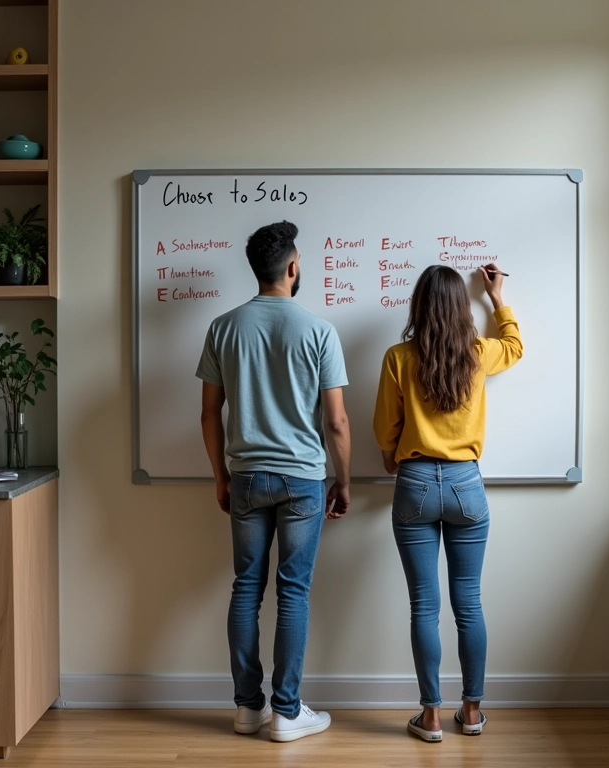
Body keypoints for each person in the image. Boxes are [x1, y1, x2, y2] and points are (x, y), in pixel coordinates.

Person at [196, 220, 351, 743]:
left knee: (246, 588)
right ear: (292, 267)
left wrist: (220, 477)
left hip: (245, 476)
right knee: (293, 592)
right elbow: (336, 423)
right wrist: (343, 482)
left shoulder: (223, 327)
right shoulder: (319, 331)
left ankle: (247, 709)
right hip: (303, 479)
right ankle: (286, 712)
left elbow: (209, 414)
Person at [372, 263, 522, 742]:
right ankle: (472, 712)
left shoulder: (398, 357)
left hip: (414, 482)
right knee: (469, 603)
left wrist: (391, 456)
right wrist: (497, 298)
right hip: (466, 485)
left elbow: (384, 428)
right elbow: (515, 346)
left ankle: (431, 717)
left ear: (418, 305)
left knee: (424, 606)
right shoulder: (479, 353)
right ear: (462, 307)